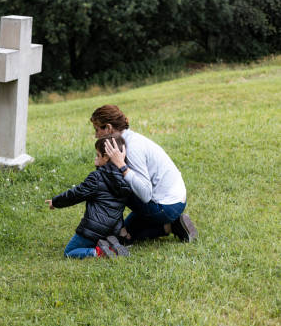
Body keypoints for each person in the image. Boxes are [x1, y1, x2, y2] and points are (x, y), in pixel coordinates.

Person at [90, 105, 198, 243]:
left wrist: (122, 166)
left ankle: (163, 222)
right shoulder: (125, 141)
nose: (95, 135)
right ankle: (172, 226)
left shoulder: (132, 147)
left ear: (109, 128)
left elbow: (145, 195)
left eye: (97, 129)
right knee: (123, 239)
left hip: (166, 206)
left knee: (110, 182)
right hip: (171, 201)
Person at [45, 134, 132, 259]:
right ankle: (110, 245)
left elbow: (76, 194)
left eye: (98, 155)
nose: (95, 158)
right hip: (112, 230)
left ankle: (98, 252)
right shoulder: (125, 177)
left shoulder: (97, 177)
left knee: (69, 252)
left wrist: (56, 201)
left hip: (93, 229)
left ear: (106, 157)